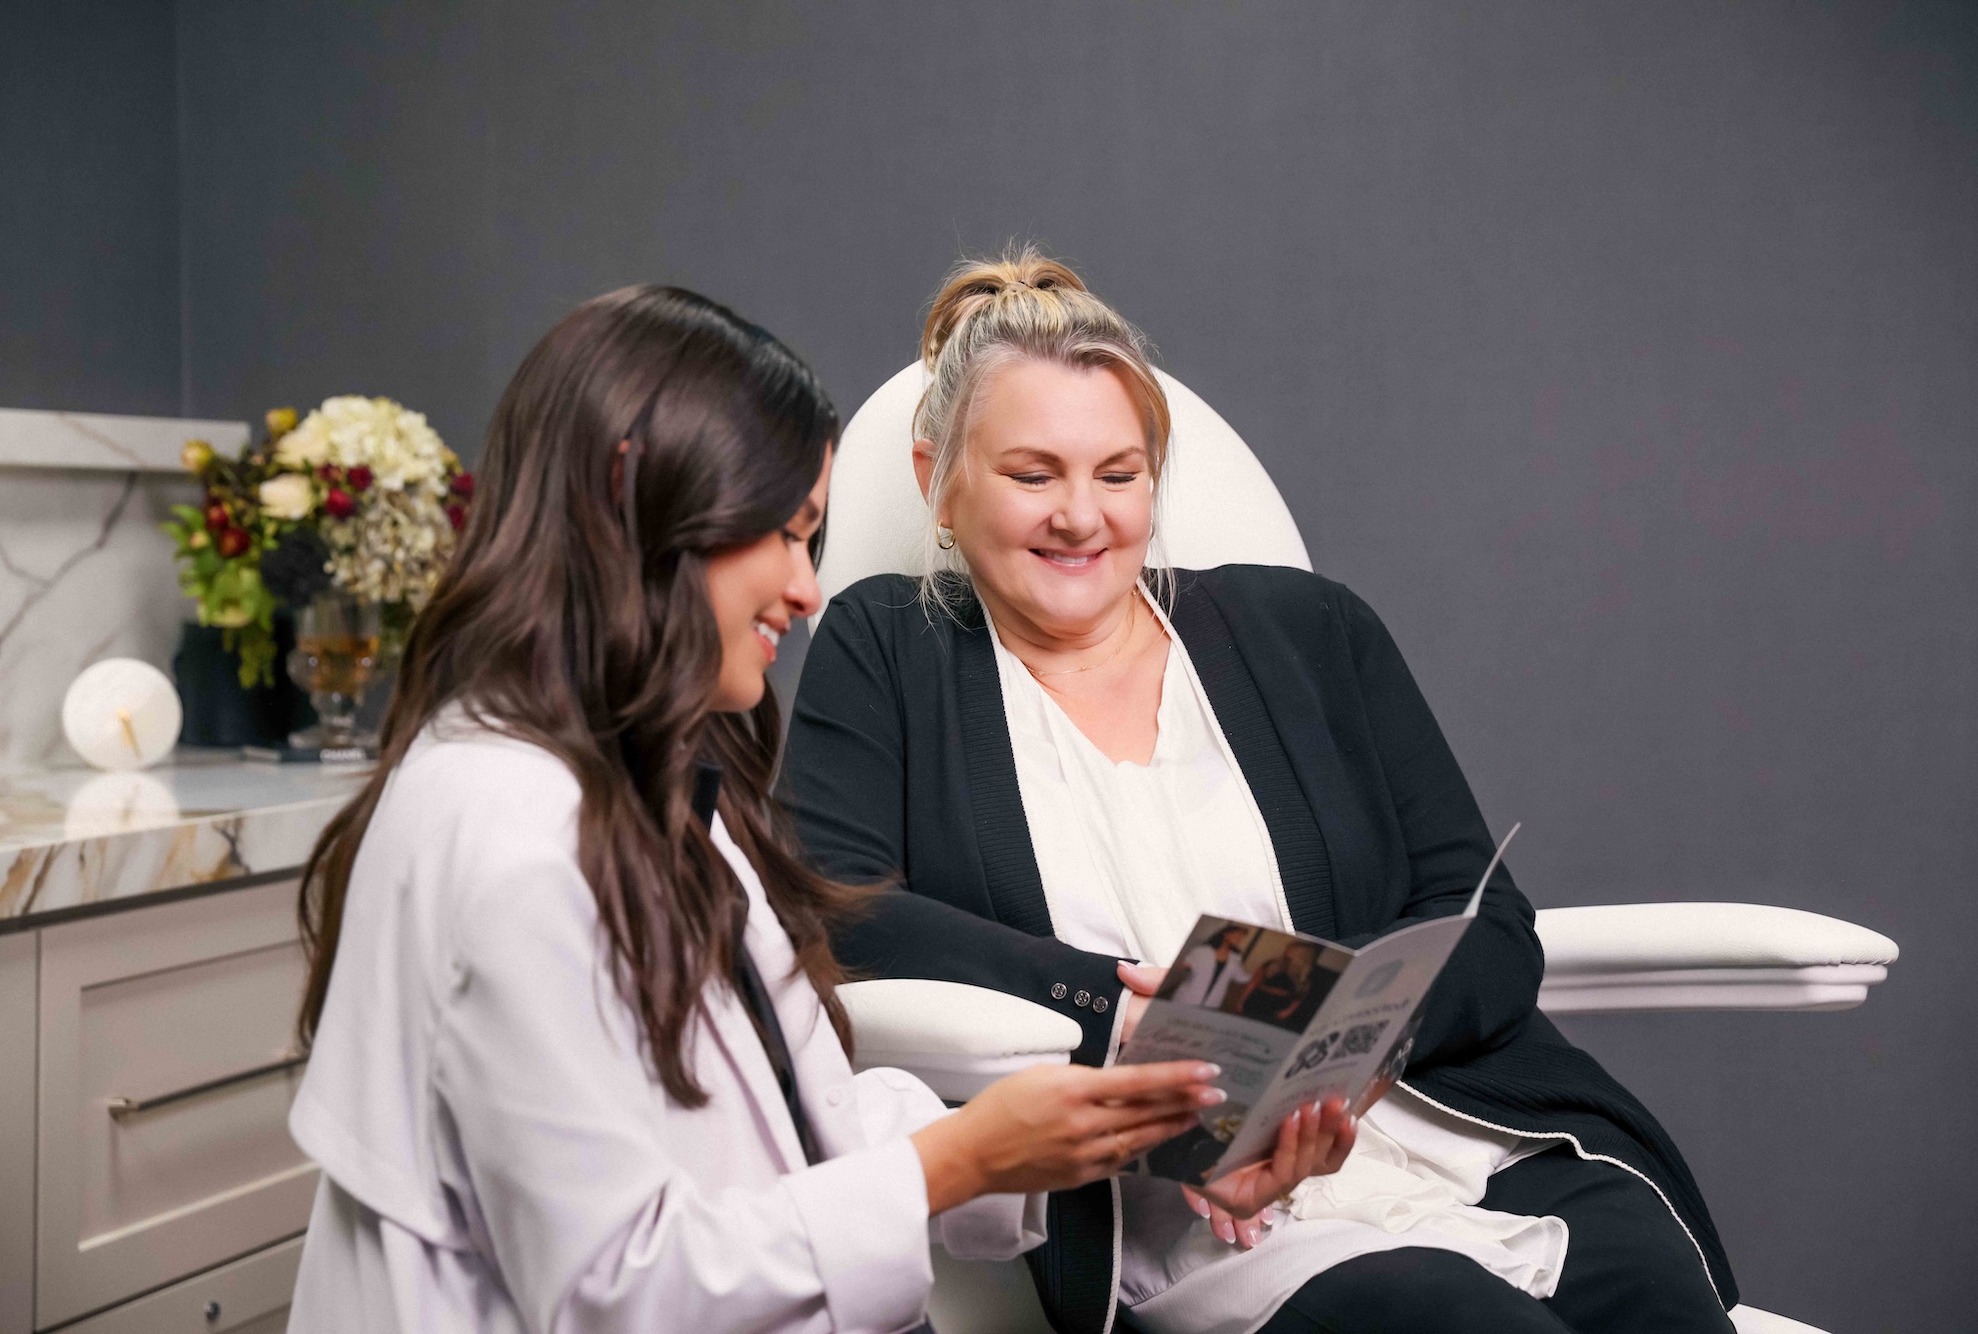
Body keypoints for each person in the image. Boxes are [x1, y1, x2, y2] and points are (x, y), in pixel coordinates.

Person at [282, 284, 1308, 1333]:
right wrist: (959, 1158)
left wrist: (1088, 1136)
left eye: (809, 537)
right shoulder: (515, 840)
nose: (806, 589)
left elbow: (796, 1111)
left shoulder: (649, 789)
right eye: (779, 534)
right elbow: (618, 1289)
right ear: (640, 511)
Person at [781, 249, 1740, 1334]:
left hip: (1433, 1132)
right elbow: (833, 905)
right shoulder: (886, 647)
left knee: (1653, 1293)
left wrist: (1328, 1049)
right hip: (1174, 1206)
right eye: (1032, 475)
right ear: (936, 479)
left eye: (1117, 474)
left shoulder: (1311, 629)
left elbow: (1487, 924)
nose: (1081, 516)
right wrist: (1117, 1010)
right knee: (1447, 1317)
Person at [1164, 924, 1253, 1008]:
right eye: (1237, 935)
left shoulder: (1235, 958)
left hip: (1212, 1002)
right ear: (1226, 934)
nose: (1239, 939)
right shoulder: (1201, 951)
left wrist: (1255, 977)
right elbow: (1186, 965)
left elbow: (1240, 977)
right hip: (1188, 997)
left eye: (1241, 937)